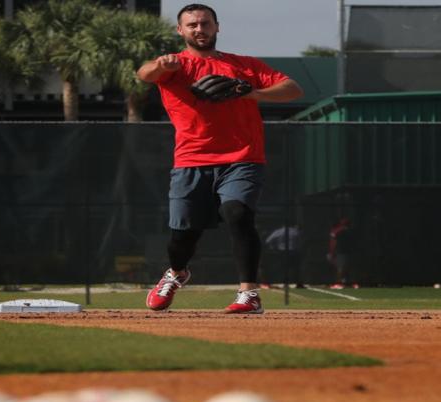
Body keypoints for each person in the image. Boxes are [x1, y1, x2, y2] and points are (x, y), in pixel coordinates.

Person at [136, 4, 303, 314]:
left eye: (205, 23)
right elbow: (145, 74)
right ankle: (176, 273)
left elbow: (292, 89)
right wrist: (164, 65)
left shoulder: (243, 65)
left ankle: (249, 294)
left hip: (243, 156)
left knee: (237, 213)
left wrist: (250, 92)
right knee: (183, 235)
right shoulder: (176, 67)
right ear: (180, 30)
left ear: (217, 27)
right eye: (192, 25)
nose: (199, 29)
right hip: (191, 160)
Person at [263, 222, 303, 289]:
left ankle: (284, 282)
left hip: (282, 252)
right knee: (295, 268)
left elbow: (268, 241)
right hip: (294, 251)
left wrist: (273, 247)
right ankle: (296, 282)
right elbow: (301, 241)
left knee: (283, 268)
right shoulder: (295, 231)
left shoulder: (278, 231)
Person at [327, 216, 357, 289]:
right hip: (349, 252)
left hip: (341, 252)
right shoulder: (352, 231)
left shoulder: (338, 231)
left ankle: (339, 283)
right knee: (347, 268)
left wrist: (331, 252)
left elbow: (333, 242)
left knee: (340, 268)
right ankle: (349, 283)